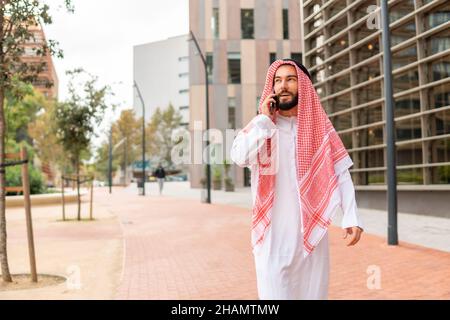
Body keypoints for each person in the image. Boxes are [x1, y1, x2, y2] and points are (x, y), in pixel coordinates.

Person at [230, 59, 364, 300]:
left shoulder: (320, 129)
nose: (283, 86)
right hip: (272, 241)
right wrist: (263, 120)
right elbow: (239, 156)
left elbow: (341, 173)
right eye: (278, 80)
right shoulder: (260, 127)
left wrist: (351, 217)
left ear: (303, 86)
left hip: (312, 242)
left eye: (290, 79)